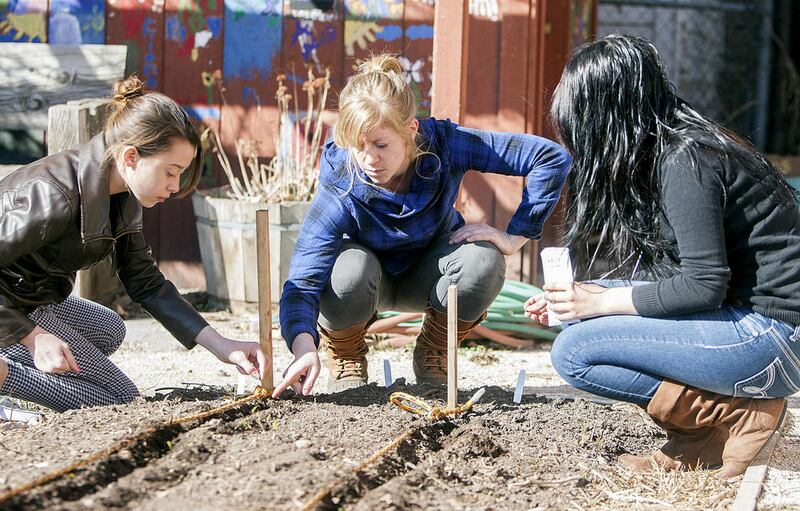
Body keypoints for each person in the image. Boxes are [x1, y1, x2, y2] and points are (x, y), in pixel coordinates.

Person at [525, 35, 800, 479]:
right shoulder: (676, 149)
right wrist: (586, 297)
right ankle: (706, 435)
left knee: (574, 352)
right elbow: (683, 279)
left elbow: (704, 285)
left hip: (774, 340)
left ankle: (735, 415)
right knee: (578, 317)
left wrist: (599, 303)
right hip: (753, 325)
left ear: (608, 117)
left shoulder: (686, 161)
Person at [272, 54, 572, 397]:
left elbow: (549, 158)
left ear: (411, 131)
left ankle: (435, 351)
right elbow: (304, 278)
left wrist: (515, 236)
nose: (369, 159)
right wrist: (303, 346)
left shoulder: (445, 144)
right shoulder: (342, 176)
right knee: (345, 269)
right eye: (359, 147)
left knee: (485, 260)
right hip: (364, 281)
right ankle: (346, 351)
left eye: (381, 145)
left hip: (433, 271)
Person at [0, 76, 268, 414]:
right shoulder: (56, 195)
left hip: (33, 297)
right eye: (171, 172)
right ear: (130, 156)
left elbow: (146, 282)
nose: (175, 185)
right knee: (120, 401)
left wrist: (221, 345)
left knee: (110, 329)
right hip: (10, 307)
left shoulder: (122, 194)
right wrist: (33, 335)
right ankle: (6, 374)